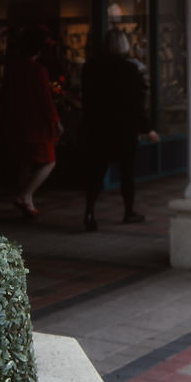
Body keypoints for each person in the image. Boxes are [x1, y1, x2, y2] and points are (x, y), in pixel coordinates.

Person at [80, 27, 158, 232]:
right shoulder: (130, 70)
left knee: (96, 172)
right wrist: (146, 128)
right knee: (127, 173)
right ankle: (128, 211)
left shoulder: (91, 67)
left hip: (98, 128)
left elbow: (86, 100)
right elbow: (136, 103)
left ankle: (89, 212)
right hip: (123, 128)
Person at [3, 25, 62, 219]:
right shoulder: (37, 70)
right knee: (49, 161)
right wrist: (55, 122)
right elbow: (45, 100)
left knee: (25, 161)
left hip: (18, 118)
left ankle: (27, 201)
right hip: (36, 122)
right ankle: (25, 195)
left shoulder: (13, 67)